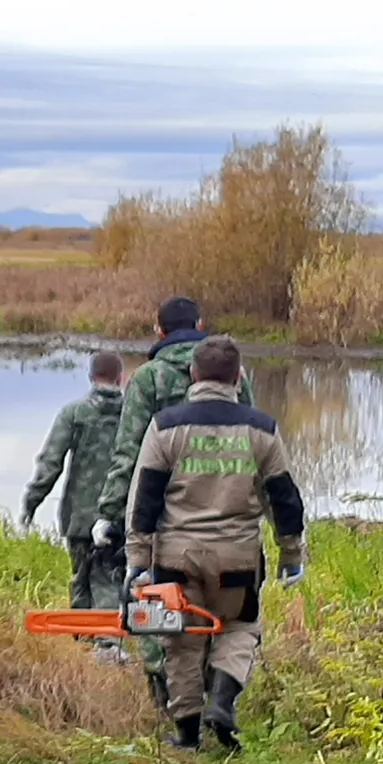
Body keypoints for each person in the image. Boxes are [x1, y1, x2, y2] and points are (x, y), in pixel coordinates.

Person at [124, 336, 305, 753]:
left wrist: (138, 560)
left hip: (176, 556)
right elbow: (284, 497)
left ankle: (187, 733)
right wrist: (290, 555)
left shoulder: (166, 425)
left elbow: (145, 498)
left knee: (181, 638)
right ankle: (221, 702)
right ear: (239, 378)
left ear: (193, 375)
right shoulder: (262, 428)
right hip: (237, 556)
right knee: (240, 628)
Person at [90, 297, 255, 709]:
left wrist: (109, 514)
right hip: (226, 512)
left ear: (159, 331)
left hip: (165, 516)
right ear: (200, 324)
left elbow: (129, 455)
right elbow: (250, 438)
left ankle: (170, 699)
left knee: (157, 603)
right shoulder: (236, 374)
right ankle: (216, 693)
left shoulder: (147, 380)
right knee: (226, 608)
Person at [21, 351, 127, 611]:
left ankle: (84, 640)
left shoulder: (74, 412)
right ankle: (109, 640)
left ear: (91, 376)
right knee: (110, 578)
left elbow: (51, 462)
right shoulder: (133, 415)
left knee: (80, 580)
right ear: (120, 378)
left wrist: (31, 502)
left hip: (79, 514)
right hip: (120, 513)